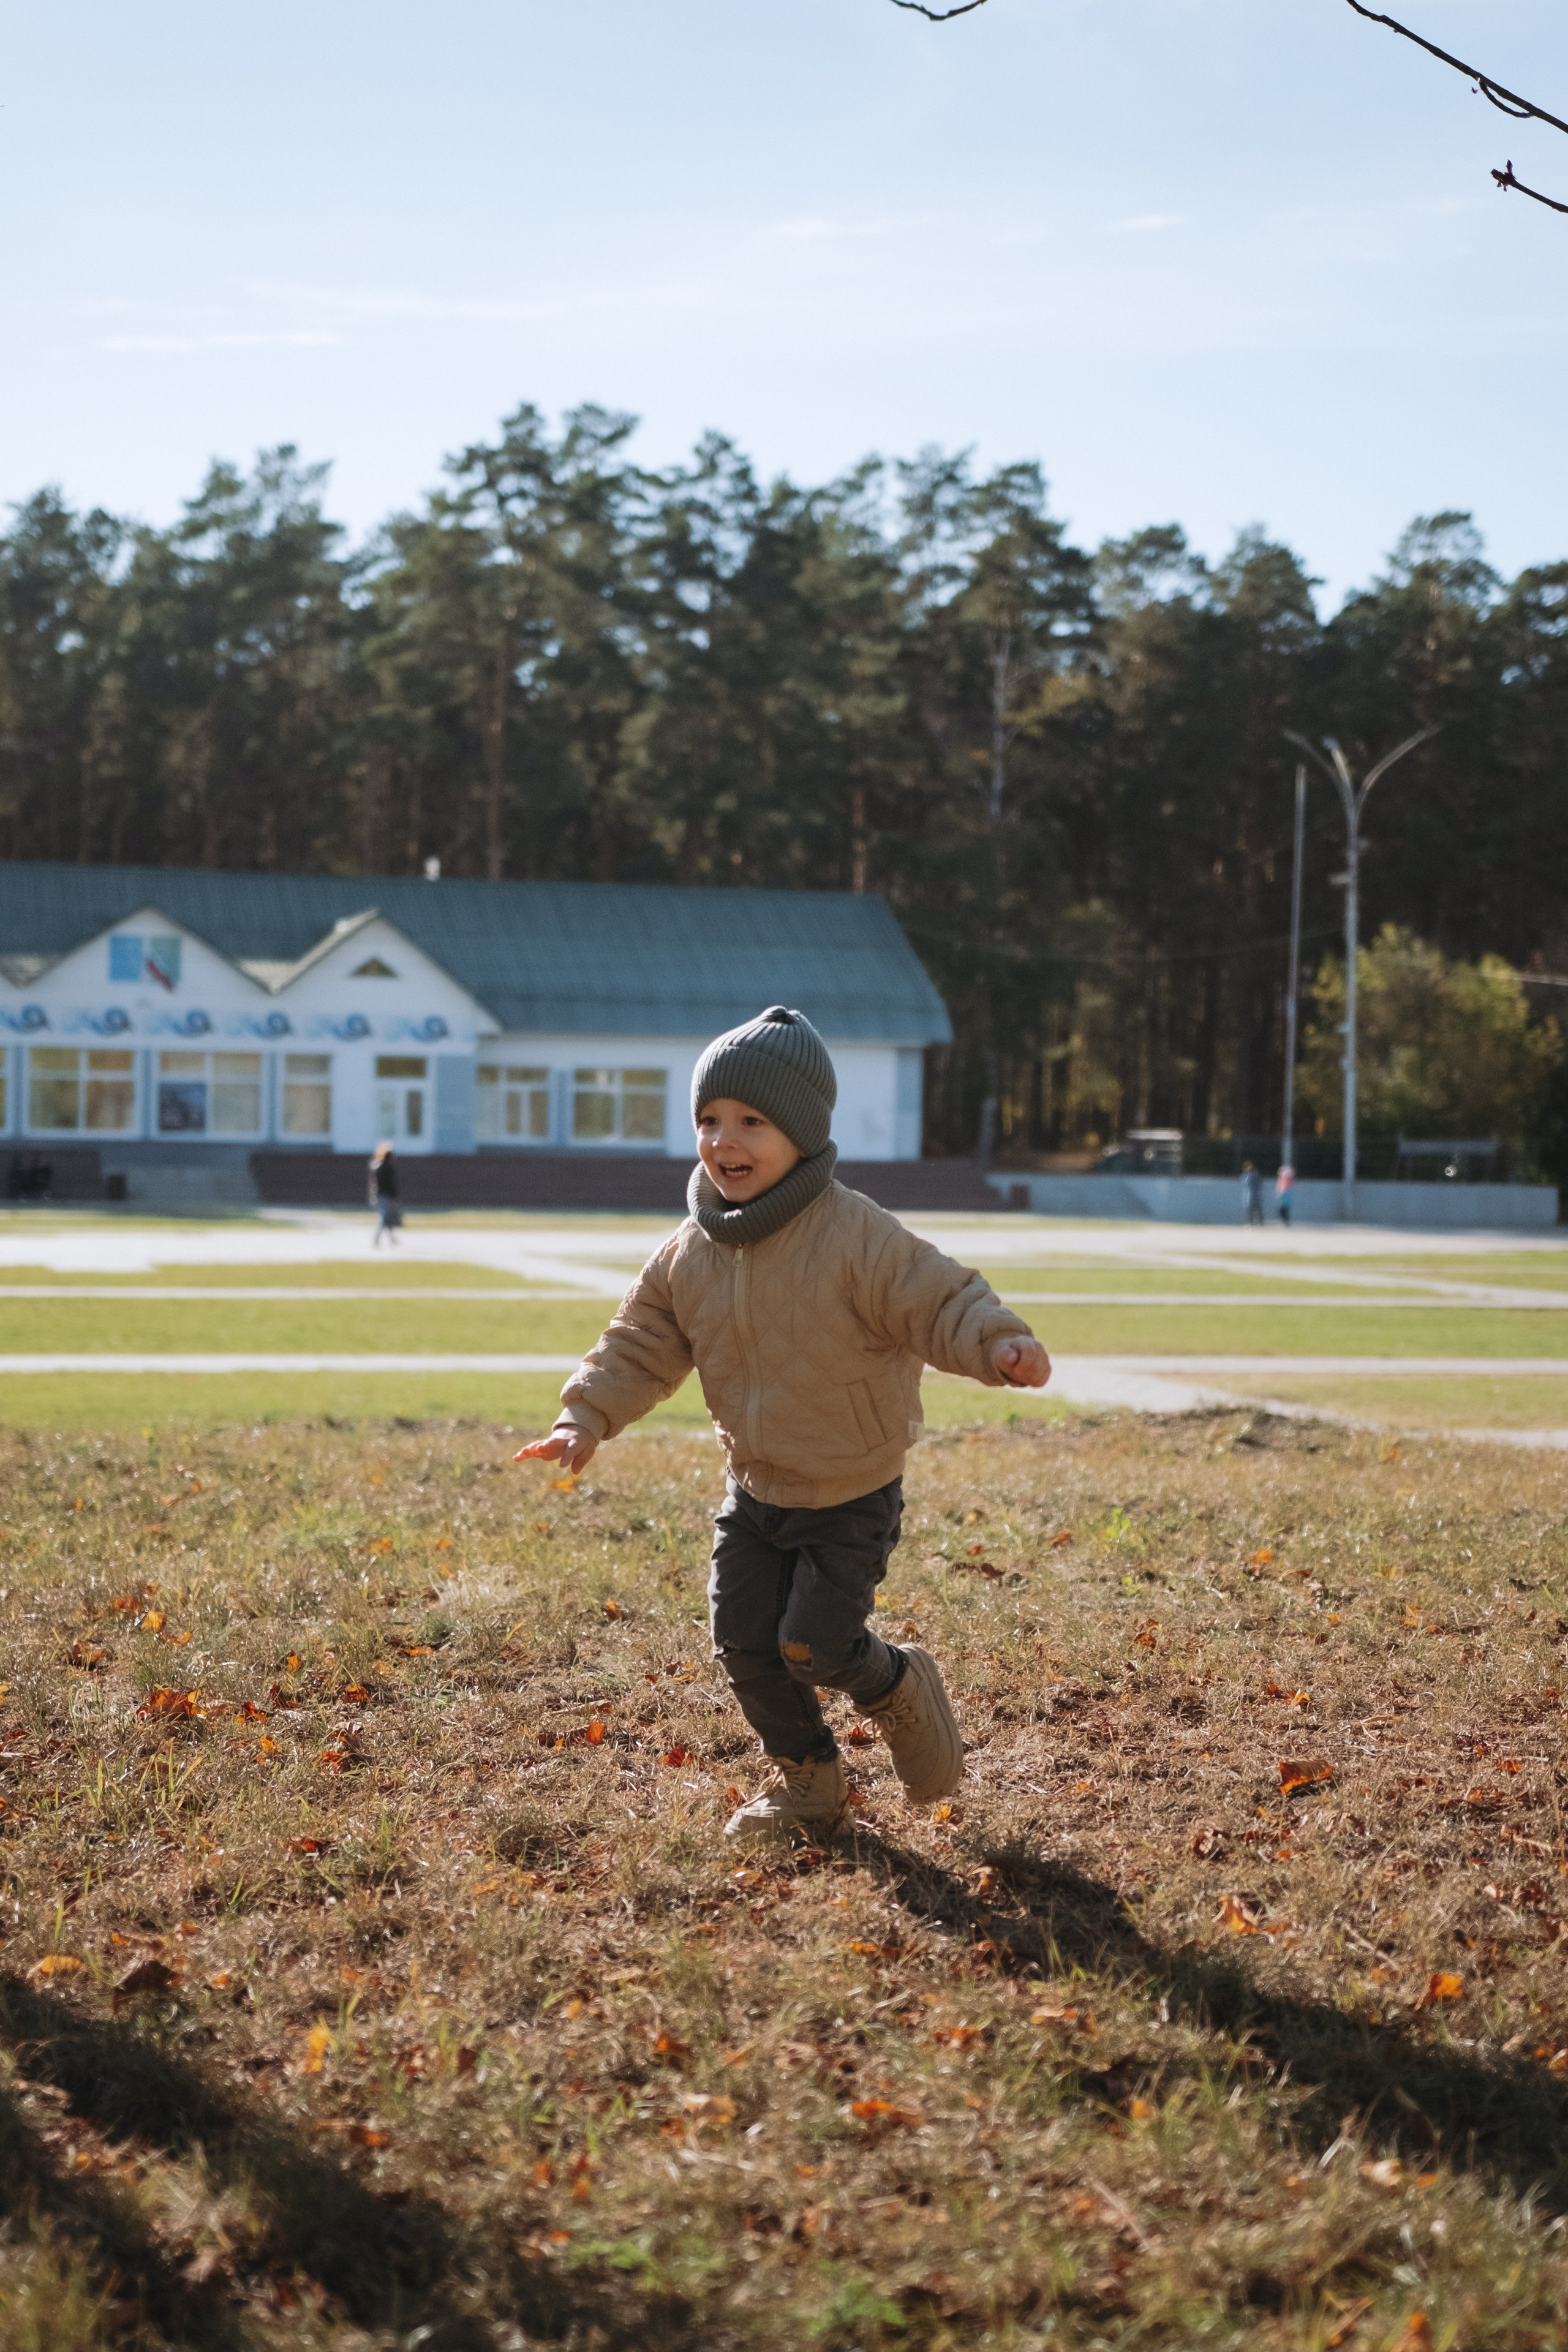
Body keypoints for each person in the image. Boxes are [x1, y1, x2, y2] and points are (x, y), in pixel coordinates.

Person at [517, 1005, 1051, 1844]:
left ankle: (900, 1684)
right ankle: (809, 1781)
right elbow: (639, 1343)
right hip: (756, 1487)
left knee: (816, 1645)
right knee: (745, 1644)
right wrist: (584, 1416)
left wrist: (999, 1343)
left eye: (751, 1122)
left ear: (801, 1135)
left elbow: (936, 1296)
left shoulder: (855, 1235)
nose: (723, 1140)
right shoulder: (688, 1251)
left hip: (850, 1488)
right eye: (709, 1120)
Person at [368, 1143, 401, 1246]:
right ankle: (376, 1239)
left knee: (388, 1217)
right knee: (384, 1218)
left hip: (381, 1195)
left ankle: (392, 1239)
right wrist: (394, 1195)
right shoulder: (386, 1168)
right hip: (384, 1196)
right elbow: (389, 1184)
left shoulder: (378, 1166)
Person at [1242, 1159, 1266, 1227]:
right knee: (1250, 1209)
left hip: (1256, 1194)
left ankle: (1261, 1223)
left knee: (1258, 1209)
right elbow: (1245, 1183)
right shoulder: (1245, 1176)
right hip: (1249, 1194)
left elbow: (1260, 1184)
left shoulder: (1256, 1175)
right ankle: (1250, 1223)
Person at [1275, 1162, 1295, 1226]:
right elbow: (1279, 1187)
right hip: (1283, 1193)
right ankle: (1286, 1221)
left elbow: (1290, 1174)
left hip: (1285, 1193)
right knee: (1282, 1209)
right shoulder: (1281, 1179)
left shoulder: (1287, 1179)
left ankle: (1286, 1222)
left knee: (1284, 1209)